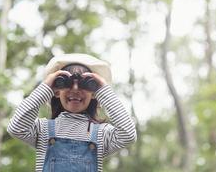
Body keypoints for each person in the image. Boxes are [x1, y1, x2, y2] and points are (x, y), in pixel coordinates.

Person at [7, 53, 137, 172]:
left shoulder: (101, 134)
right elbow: (16, 128)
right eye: (67, 84)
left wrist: (103, 89)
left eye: (84, 85)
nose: (75, 89)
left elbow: (128, 134)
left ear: (94, 94)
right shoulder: (42, 129)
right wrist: (46, 86)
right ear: (57, 91)